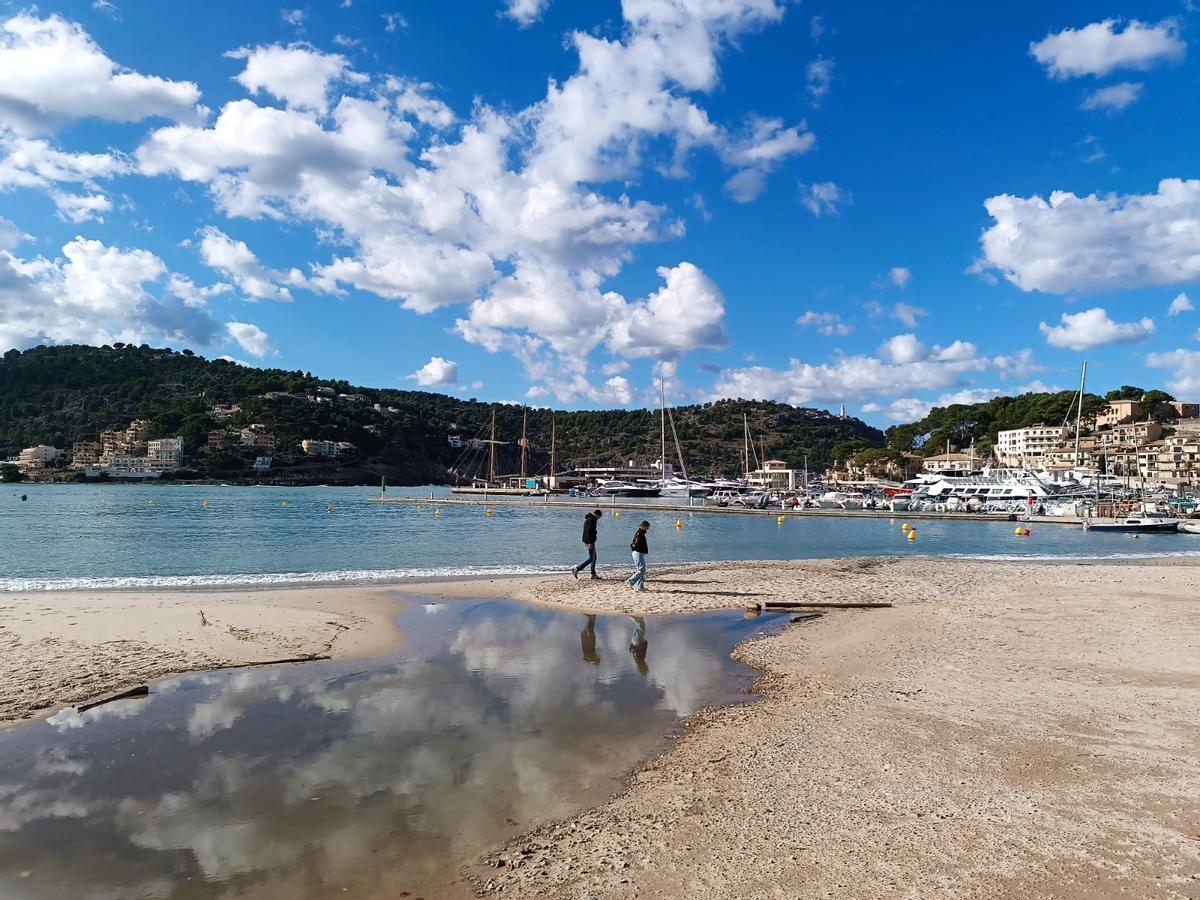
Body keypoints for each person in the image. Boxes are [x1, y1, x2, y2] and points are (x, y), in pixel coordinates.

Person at [571, 509, 603, 579]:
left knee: (594, 558)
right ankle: (577, 569)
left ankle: (593, 574)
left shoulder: (589, 518)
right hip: (589, 541)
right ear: (597, 515)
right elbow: (589, 531)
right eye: (599, 517)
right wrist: (590, 543)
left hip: (588, 540)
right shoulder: (592, 520)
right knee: (591, 558)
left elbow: (589, 531)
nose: (598, 519)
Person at [625, 519, 650, 591]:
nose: (648, 528)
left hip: (639, 553)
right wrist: (637, 549)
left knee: (641, 570)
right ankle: (630, 581)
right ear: (644, 526)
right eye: (647, 527)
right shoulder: (639, 533)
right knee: (641, 570)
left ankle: (640, 586)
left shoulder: (640, 533)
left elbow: (633, 542)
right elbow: (635, 543)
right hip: (638, 553)